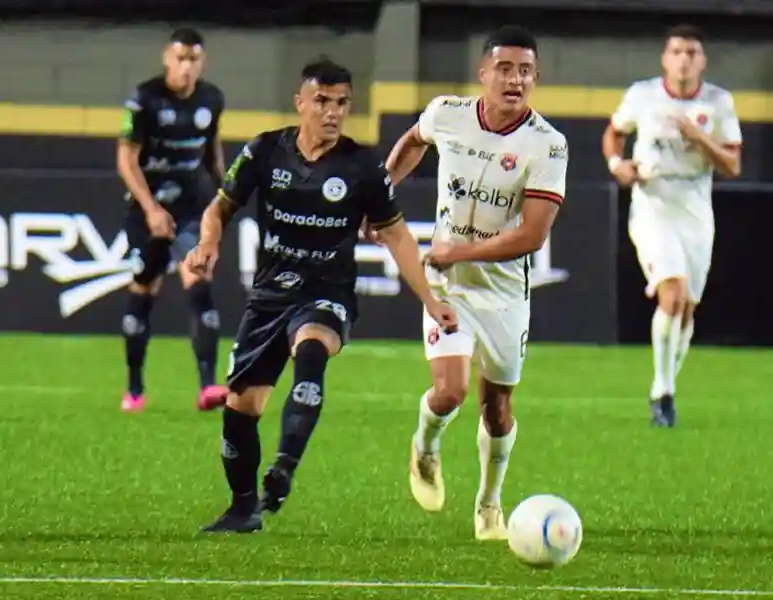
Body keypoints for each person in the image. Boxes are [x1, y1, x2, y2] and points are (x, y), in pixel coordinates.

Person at [184, 58, 458, 534]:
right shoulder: (266, 152)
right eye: (322, 102)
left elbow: (396, 238)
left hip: (327, 293)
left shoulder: (361, 167)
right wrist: (208, 243)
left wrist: (431, 301)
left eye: (342, 103)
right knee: (240, 408)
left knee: (312, 350)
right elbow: (219, 209)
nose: (332, 112)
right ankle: (244, 508)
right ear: (301, 103)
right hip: (269, 297)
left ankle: (286, 465)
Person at [380, 25, 568, 541]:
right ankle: (426, 447)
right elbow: (415, 141)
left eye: (525, 71)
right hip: (447, 284)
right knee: (450, 390)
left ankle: (489, 502)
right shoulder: (448, 113)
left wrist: (457, 250)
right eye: (505, 69)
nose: (515, 80)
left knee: (498, 407)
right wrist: (380, 190)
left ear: (535, 78)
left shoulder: (548, 145)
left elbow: (531, 235)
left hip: (504, 290)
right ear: (483, 73)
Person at [602, 24, 742, 427]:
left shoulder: (718, 102)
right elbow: (613, 133)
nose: (684, 59)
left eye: (692, 52)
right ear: (665, 58)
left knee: (687, 309)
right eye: (677, 51)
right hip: (653, 201)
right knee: (672, 292)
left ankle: (666, 387)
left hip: (695, 208)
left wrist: (700, 138)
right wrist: (618, 165)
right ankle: (662, 393)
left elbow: (732, 164)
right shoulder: (643, 95)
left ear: (703, 60)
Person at [116, 28, 229, 413]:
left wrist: (225, 197)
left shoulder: (211, 99)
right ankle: (134, 388)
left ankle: (209, 386)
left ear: (203, 62)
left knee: (200, 285)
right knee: (144, 290)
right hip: (147, 211)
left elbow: (212, 152)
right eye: (180, 58)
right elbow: (126, 159)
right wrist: (150, 209)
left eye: (193, 59)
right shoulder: (143, 100)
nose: (186, 66)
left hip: (190, 209)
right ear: (167, 58)